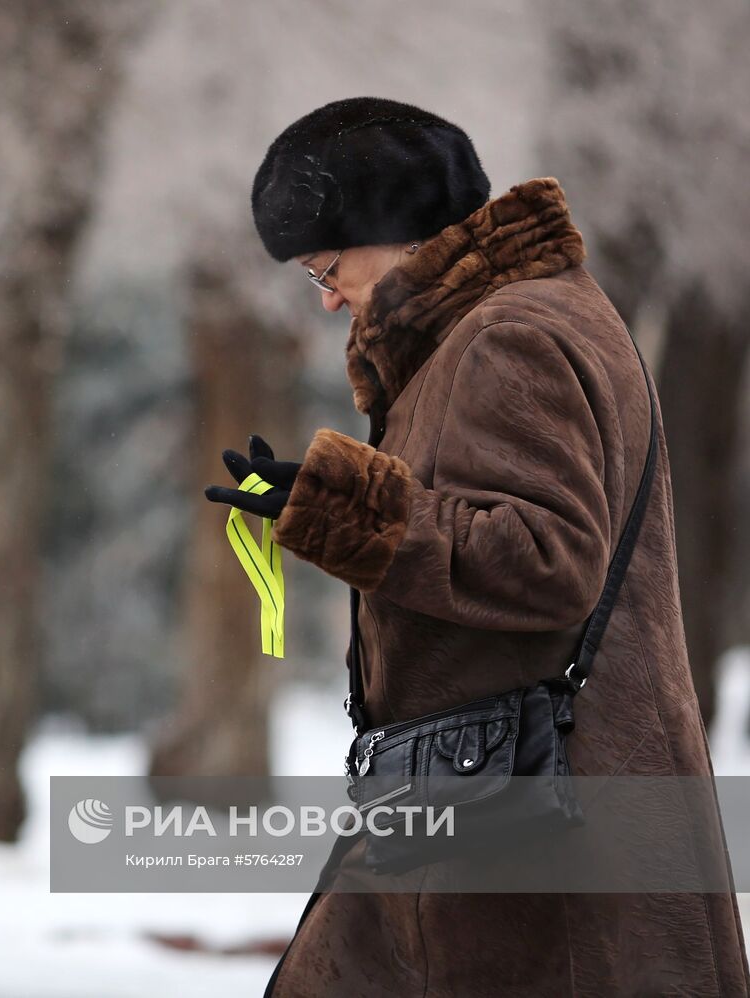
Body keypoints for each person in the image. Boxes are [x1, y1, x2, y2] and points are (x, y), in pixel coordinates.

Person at [205, 96, 750, 997]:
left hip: (539, 845)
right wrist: (328, 499)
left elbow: (547, 556)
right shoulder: (513, 321)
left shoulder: (509, 334)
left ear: (394, 227)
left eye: (326, 267)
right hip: (512, 823)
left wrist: (348, 509)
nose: (330, 296)